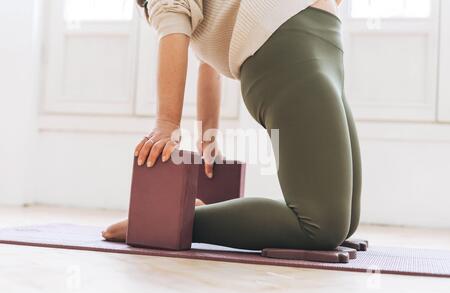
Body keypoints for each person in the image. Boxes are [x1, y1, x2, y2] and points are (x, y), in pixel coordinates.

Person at [103, 0, 362, 251]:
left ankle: (187, 216)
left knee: (345, 222)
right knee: (321, 225)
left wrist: (208, 138)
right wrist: (166, 124)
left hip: (323, 48)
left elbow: (208, 64)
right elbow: (174, 30)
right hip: (290, 51)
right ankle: (165, 222)